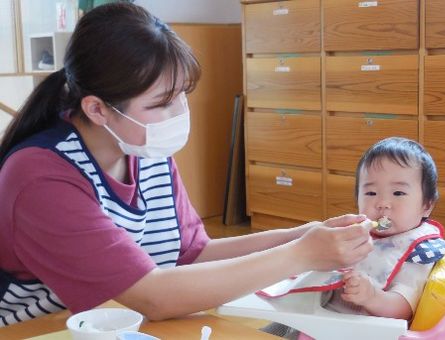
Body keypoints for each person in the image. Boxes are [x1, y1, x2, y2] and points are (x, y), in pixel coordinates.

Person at [0, 3, 373, 327]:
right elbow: (153, 297)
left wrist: (305, 234)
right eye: (162, 103)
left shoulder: (144, 148)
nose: (178, 113)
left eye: (181, 96)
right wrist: (302, 253)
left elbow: (192, 253)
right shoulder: (40, 176)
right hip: (42, 329)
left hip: (119, 322)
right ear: (97, 109)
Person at [263, 137, 445, 339]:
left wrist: (372, 297)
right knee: (272, 327)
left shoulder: (417, 252)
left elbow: (403, 308)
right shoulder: (359, 231)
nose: (383, 203)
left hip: (356, 330)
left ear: (426, 205)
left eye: (398, 192)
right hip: (317, 313)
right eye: (370, 192)